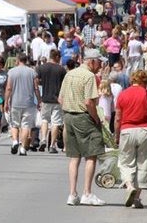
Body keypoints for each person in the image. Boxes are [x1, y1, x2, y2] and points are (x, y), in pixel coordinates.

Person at [59, 49, 107, 206]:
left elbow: (60, 98)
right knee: (91, 154)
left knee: (74, 157)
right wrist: (96, 119)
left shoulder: (70, 74)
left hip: (68, 116)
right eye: (99, 61)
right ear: (91, 61)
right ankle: (87, 192)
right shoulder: (89, 76)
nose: (100, 65)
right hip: (83, 117)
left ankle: (72, 193)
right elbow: (88, 102)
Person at [114, 70, 147, 209]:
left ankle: (129, 185)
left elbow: (117, 118)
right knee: (143, 163)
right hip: (145, 130)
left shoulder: (123, 94)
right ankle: (137, 198)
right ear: (145, 82)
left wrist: (116, 134)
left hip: (126, 130)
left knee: (126, 161)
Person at [4, 53, 42, 156]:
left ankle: (15, 141)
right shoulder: (32, 72)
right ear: (26, 60)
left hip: (15, 102)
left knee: (14, 124)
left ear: (17, 60)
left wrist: (6, 102)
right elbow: (36, 88)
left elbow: (8, 88)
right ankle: (22, 148)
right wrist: (39, 101)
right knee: (26, 126)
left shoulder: (11, 72)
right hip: (28, 103)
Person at [36, 49, 67, 154]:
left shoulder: (42, 68)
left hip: (45, 98)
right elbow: (64, 84)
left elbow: (36, 81)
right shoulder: (61, 70)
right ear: (57, 57)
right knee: (56, 123)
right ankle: (52, 145)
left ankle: (43, 139)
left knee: (44, 120)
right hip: (57, 99)